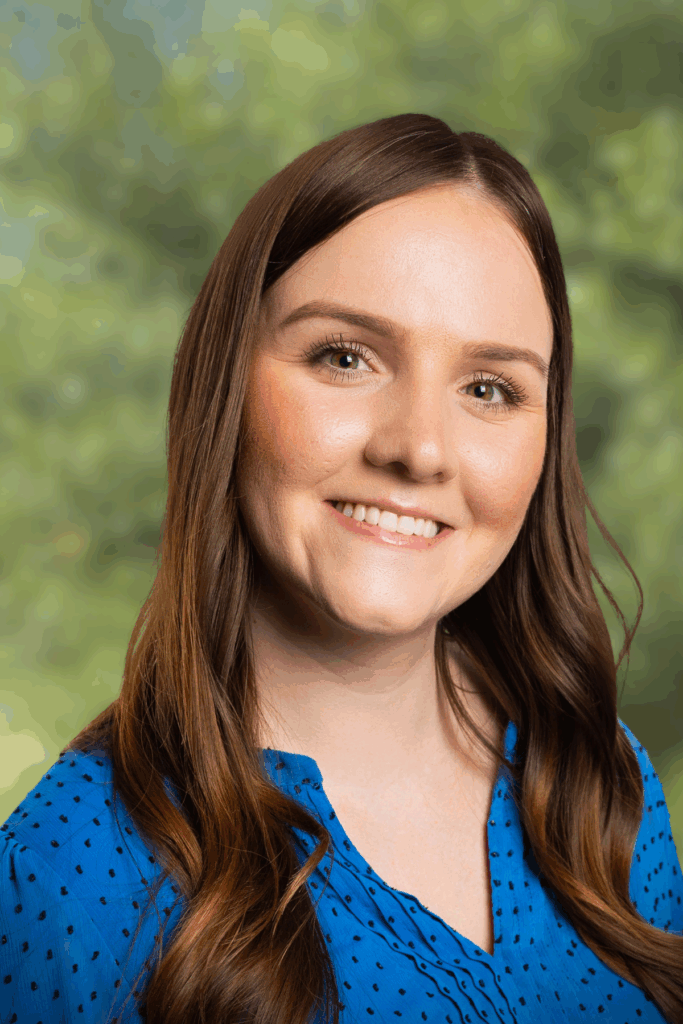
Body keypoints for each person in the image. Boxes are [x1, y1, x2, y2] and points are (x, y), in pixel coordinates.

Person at [1, 113, 682, 1024]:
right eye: (344, 357)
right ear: (224, 387)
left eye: (489, 388)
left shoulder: (605, 790)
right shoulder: (61, 872)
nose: (419, 450)